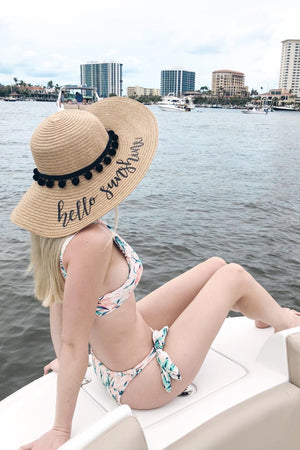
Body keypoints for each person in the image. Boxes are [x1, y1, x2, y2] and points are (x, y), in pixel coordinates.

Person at [11, 97, 300, 450]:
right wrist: (60, 430)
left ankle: (260, 313)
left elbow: (60, 305)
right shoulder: (93, 242)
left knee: (215, 266)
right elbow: (73, 343)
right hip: (143, 380)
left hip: (120, 351)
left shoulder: (61, 233)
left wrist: (66, 355)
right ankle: (284, 321)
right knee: (234, 276)